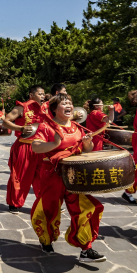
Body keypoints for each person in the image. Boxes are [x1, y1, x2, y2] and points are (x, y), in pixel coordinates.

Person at [30, 93, 106, 262]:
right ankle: (46, 240)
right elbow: (36, 147)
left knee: (86, 208)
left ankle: (86, 248)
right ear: (55, 109)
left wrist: (87, 143)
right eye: (64, 103)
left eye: (70, 102)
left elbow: (87, 150)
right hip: (53, 174)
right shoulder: (46, 126)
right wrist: (55, 144)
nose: (69, 105)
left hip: (75, 175)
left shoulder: (77, 127)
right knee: (50, 209)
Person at [2, 85, 47, 214]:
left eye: (44, 94)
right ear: (31, 95)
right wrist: (20, 128)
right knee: (20, 175)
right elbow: (5, 121)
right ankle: (14, 203)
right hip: (24, 146)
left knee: (42, 176)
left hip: (41, 147)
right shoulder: (22, 107)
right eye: (40, 94)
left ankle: (43, 202)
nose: (42, 96)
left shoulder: (46, 109)